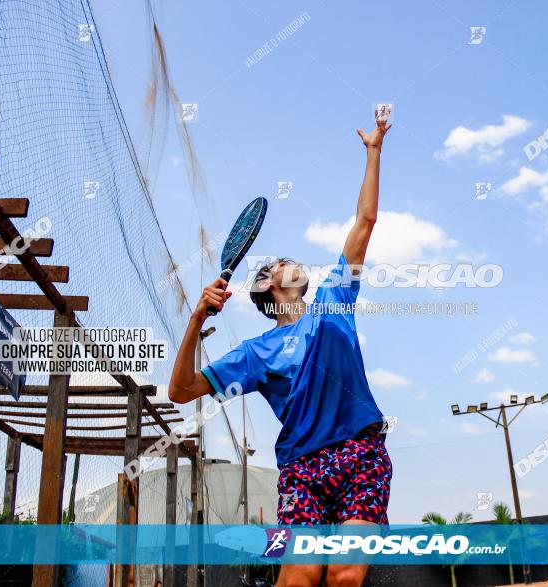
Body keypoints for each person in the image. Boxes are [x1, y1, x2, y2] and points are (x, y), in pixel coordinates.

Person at [169, 118, 393, 587]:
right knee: (299, 578)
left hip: (362, 453)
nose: (293, 263)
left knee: (346, 576)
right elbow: (181, 390)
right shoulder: (255, 353)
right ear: (270, 286)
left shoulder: (335, 298)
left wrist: (373, 151)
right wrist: (195, 320)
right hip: (302, 468)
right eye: (282, 263)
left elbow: (365, 222)